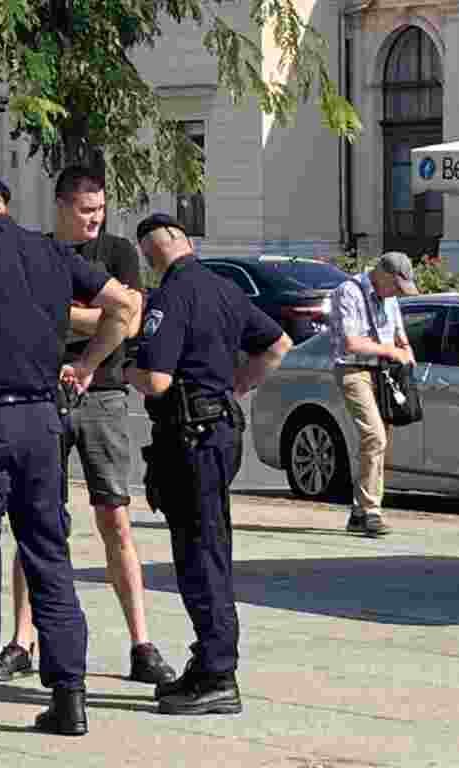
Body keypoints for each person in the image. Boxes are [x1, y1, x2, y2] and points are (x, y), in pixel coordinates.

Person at [0, 173, 141, 742]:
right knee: (49, 557)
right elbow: (126, 304)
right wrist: (88, 362)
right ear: (6, 205)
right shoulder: (52, 252)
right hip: (43, 421)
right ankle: (69, 699)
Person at [0, 166, 175, 687]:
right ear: (61, 206)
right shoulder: (39, 251)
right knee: (36, 519)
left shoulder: (118, 253)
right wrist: (95, 312)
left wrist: (63, 313)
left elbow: (131, 319)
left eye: (100, 209)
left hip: (105, 393)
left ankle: (141, 642)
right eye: (85, 210)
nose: (94, 219)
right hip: (45, 393)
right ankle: (21, 640)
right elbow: (28, 317)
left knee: (114, 515)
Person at [124, 213, 291, 716]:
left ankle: (218, 672)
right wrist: (237, 386)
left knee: (200, 555)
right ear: (185, 242)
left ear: (150, 254)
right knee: (212, 546)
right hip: (219, 429)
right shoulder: (223, 289)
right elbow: (277, 345)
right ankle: (210, 660)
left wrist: (126, 366)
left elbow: (155, 380)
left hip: (191, 438)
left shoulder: (171, 295)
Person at [328, 251, 418, 537]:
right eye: (396, 286)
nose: (397, 294)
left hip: (383, 373)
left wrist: (406, 351)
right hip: (353, 370)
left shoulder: (390, 297)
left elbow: (399, 333)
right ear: (383, 275)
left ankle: (359, 511)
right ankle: (370, 510)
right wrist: (391, 351)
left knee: (379, 441)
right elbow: (352, 342)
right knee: (374, 436)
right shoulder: (349, 292)